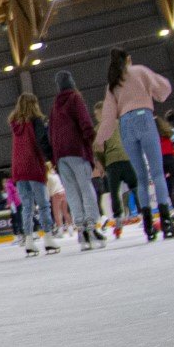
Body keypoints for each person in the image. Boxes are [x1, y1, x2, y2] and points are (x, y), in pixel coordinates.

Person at [94, 48, 174, 240]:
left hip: (125, 125)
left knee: (140, 178)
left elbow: (107, 117)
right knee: (157, 173)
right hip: (144, 118)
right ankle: (165, 219)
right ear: (128, 59)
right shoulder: (139, 71)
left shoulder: (112, 84)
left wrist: (100, 141)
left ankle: (148, 224)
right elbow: (164, 89)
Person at [48, 72, 105, 250]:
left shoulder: (54, 106)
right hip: (77, 150)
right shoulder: (75, 98)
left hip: (61, 156)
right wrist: (93, 141)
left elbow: (51, 132)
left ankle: (80, 231)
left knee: (72, 192)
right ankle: (91, 228)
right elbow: (85, 122)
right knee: (86, 187)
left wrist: (54, 157)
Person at [9, 93, 60, 256]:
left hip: (19, 168)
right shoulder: (36, 120)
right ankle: (48, 238)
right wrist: (51, 158)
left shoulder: (15, 123)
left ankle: (29, 241)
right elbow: (42, 140)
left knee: (27, 207)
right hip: (33, 166)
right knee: (43, 204)